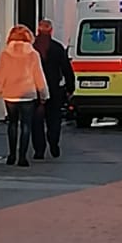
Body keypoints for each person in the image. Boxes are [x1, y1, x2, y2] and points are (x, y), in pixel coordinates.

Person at [0, 24, 48, 167]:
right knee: (26, 125)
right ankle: (22, 157)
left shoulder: (5, 54)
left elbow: (0, 76)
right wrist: (44, 94)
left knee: (12, 124)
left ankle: (11, 155)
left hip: (10, 94)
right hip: (28, 94)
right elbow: (38, 75)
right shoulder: (33, 54)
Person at [31, 19, 76, 160]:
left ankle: (39, 150)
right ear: (51, 31)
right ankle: (53, 142)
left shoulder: (32, 47)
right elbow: (66, 69)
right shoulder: (57, 48)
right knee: (54, 119)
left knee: (36, 121)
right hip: (54, 89)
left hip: (35, 89)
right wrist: (70, 88)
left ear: (38, 30)